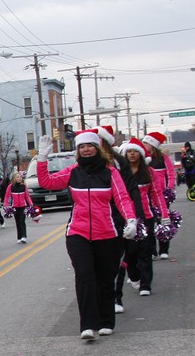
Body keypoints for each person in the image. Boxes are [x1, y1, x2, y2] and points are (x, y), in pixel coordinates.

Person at [35, 131, 136, 340]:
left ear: (97, 148)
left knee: (105, 279)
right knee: (84, 276)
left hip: (107, 233)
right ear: (78, 151)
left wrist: (131, 220)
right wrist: (42, 157)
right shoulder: (73, 172)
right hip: (78, 233)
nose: (86, 149)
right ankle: (88, 325)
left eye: (89, 146)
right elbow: (47, 182)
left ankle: (106, 321)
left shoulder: (110, 173)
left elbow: (123, 198)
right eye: (82, 147)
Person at [115, 138, 170, 308]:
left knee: (145, 250)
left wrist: (164, 214)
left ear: (140, 153)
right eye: (129, 151)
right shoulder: (120, 173)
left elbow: (157, 194)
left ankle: (146, 284)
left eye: (135, 151)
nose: (132, 154)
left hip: (145, 216)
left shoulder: (149, 172)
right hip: (126, 217)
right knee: (129, 252)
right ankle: (134, 275)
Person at [142, 132, 176, 260]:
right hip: (147, 196)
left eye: (146, 143)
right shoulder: (142, 159)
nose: (144, 145)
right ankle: (151, 250)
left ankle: (164, 249)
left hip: (162, 195)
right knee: (148, 224)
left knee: (163, 222)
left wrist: (169, 189)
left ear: (153, 145)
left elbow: (171, 174)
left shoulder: (162, 158)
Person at [3, 170, 34, 244]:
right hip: (15, 207)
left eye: (20, 177)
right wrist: (6, 205)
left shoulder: (23, 186)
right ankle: (19, 237)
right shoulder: (10, 187)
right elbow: (7, 196)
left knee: (22, 221)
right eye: (17, 177)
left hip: (23, 206)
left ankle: (24, 236)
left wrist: (31, 205)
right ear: (14, 179)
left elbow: (27, 196)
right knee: (17, 222)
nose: (19, 178)